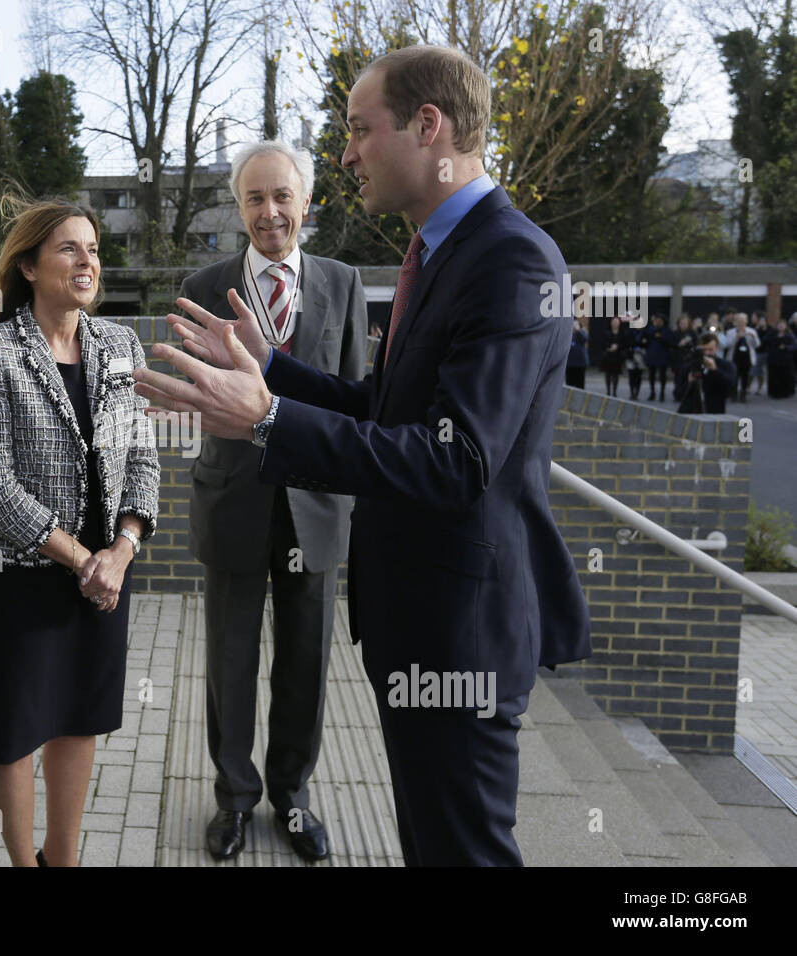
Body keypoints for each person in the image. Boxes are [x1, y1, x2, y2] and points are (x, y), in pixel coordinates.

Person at [135, 44, 591, 866]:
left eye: (357, 130)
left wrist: (270, 418)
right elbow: (384, 409)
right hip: (416, 624)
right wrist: (270, 369)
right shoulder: (441, 254)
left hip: (462, 638)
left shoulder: (511, 262)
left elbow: (454, 461)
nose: (344, 154)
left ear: (428, 126)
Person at [180, 141, 368, 862]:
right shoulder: (205, 283)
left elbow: (354, 405)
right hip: (234, 502)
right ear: (240, 206)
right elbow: (200, 396)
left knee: (305, 665)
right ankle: (233, 800)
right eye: (255, 199)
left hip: (316, 509)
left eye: (282, 197)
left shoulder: (344, 283)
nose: (270, 212)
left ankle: (293, 799)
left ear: (306, 204)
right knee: (228, 663)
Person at [0, 198, 160, 867]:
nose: (88, 262)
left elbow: (142, 459)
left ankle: (62, 860)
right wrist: (84, 561)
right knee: (16, 731)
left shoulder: (120, 345)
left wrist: (122, 550)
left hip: (105, 579)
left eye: (94, 249)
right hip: (23, 581)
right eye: (70, 248)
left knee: (81, 719)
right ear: (30, 265)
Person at [676, 333, 737, 414]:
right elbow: (677, 394)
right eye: (704, 350)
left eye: (710, 350)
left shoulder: (725, 365)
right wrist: (689, 383)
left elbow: (730, 388)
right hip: (690, 412)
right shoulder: (689, 366)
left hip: (715, 412)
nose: (707, 353)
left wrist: (715, 370)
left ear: (717, 348)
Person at [727, 313, 760, 403]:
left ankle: (743, 394)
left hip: (746, 358)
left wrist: (753, 338)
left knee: (745, 377)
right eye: (739, 321)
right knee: (735, 376)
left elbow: (757, 345)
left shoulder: (751, 331)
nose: (741, 323)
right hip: (735, 357)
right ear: (736, 322)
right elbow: (728, 344)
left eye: (743, 321)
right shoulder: (731, 332)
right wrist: (736, 337)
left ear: (746, 321)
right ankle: (734, 394)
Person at [643, 314, 673, 401]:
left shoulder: (667, 330)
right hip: (652, 354)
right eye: (657, 321)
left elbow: (669, 342)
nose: (659, 322)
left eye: (660, 321)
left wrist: (661, 337)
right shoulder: (651, 329)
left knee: (662, 375)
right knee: (651, 375)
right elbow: (646, 339)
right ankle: (652, 392)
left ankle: (662, 393)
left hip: (662, 355)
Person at [765, 319, 796, 399]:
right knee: (774, 376)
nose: (781, 326)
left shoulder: (789, 335)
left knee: (785, 376)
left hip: (785, 360)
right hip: (774, 359)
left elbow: (794, 346)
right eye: (779, 325)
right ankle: (774, 392)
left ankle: (785, 392)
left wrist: (786, 347)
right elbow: (766, 342)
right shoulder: (772, 334)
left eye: (782, 325)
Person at [596, 316, 625, 396]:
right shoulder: (606, 332)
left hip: (617, 356)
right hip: (608, 356)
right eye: (613, 321)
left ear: (619, 323)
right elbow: (602, 344)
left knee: (616, 374)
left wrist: (618, 346)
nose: (615, 323)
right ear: (611, 323)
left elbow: (625, 344)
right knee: (608, 374)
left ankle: (614, 391)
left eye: (617, 321)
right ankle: (608, 391)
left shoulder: (622, 333)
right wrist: (609, 347)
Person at [670, 315, 696, 402]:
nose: (683, 325)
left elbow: (696, 344)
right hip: (678, 359)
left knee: (687, 377)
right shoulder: (675, 333)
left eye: (685, 323)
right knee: (677, 378)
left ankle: (686, 394)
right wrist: (679, 344)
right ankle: (677, 394)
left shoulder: (692, 333)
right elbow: (671, 345)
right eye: (682, 323)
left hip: (688, 359)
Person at [620, 316, 645, 400]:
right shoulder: (629, 332)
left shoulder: (645, 333)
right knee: (631, 374)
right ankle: (632, 392)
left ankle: (637, 392)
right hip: (631, 356)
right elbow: (625, 344)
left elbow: (647, 344)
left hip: (641, 356)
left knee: (639, 375)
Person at [565, 318, 588, 389]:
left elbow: (585, 339)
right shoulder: (567, 333)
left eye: (576, 324)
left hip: (580, 364)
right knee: (569, 385)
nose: (574, 326)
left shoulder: (582, 332)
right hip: (569, 363)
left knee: (580, 385)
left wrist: (578, 330)